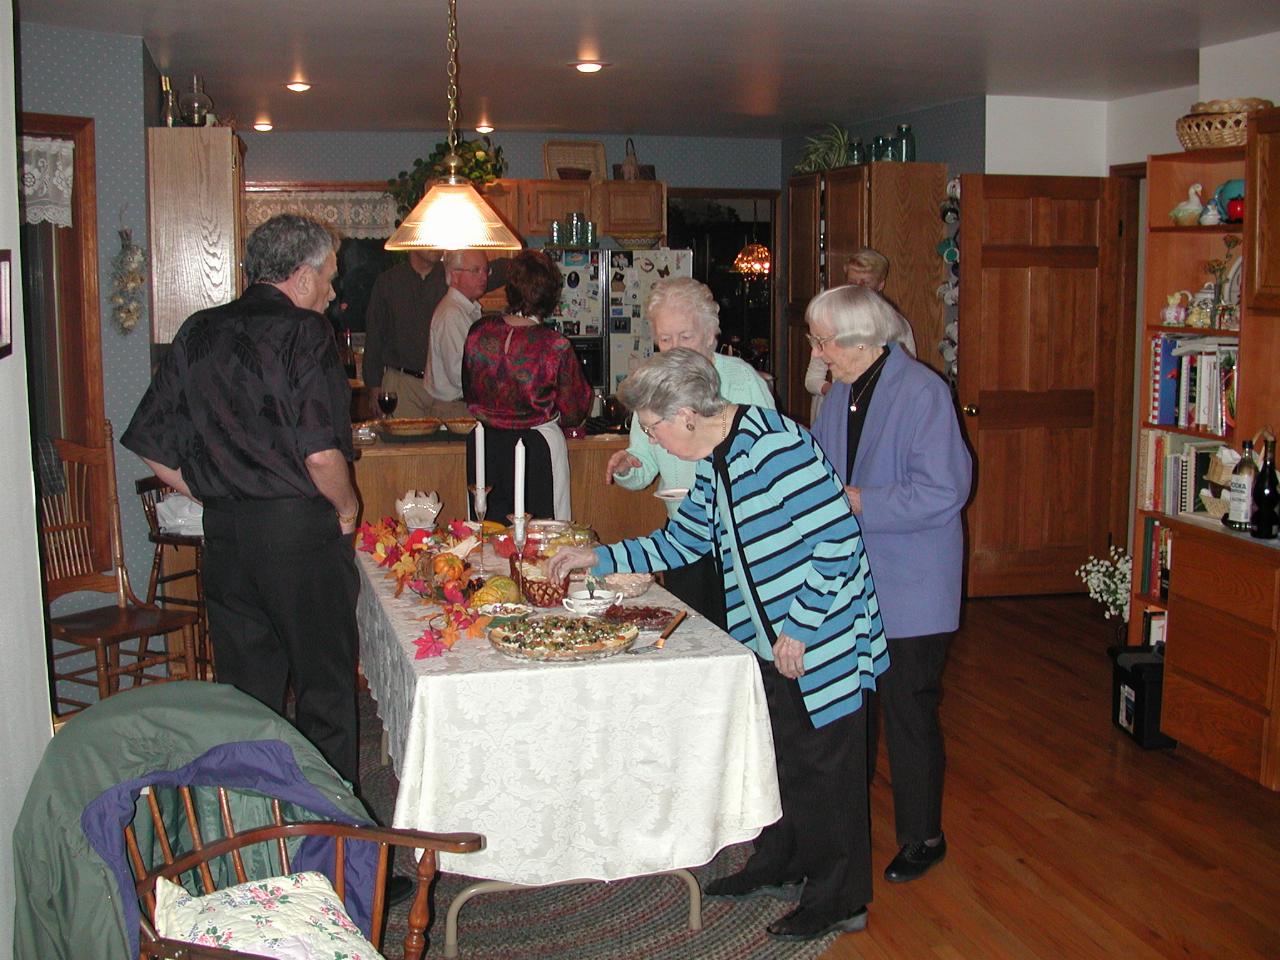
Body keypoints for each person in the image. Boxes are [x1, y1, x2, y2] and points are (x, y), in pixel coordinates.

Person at [549, 348, 888, 942]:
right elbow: (684, 540)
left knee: (826, 768)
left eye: (652, 430)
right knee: (779, 753)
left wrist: (800, 628)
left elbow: (838, 542)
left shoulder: (776, 447)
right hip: (769, 636)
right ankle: (780, 860)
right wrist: (598, 557)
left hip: (820, 635)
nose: (652, 442)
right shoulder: (716, 457)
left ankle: (840, 898)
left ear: (684, 414)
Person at [121, 213, 363, 789]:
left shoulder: (198, 330)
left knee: (247, 697)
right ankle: (331, 854)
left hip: (226, 536)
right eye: (328, 277)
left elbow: (151, 447)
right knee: (324, 692)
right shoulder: (306, 333)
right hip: (299, 535)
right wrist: (348, 510)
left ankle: (254, 835)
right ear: (301, 276)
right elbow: (322, 455)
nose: (332, 292)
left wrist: (215, 491)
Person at [806, 284, 972, 885]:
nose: (818, 353)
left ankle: (923, 836)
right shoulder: (840, 393)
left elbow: (943, 493)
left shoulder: (924, 392)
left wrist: (857, 502)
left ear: (863, 341)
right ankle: (848, 826)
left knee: (908, 711)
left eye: (824, 341)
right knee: (854, 710)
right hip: (853, 580)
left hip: (913, 586)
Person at [604, 277, 774, 625]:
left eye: (685, 337)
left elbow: (770, 462)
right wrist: (627, 468)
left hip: (741, 535)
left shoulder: (742, 382)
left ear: (711, 334)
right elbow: (643, 468)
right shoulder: (653, 386)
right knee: (694, 634)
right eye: (665, 339)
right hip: (682, 533)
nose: (675, 348)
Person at [462, 249, 592, 522]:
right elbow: (575, 409)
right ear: (552, 296)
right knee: (544, 537)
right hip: (538, 447)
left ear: (510, 290)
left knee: (488, 533)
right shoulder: (554, 344)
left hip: (484, 444)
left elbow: (468, 389)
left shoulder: (478, 332)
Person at [363, 249, 506, 418]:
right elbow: (374, 337)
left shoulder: (452, 276)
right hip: (403, 383)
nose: (435, 244)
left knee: (437, 443)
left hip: (441, 390)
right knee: (405, 444)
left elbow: (496, 271)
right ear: (412, 243)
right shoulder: (389, 281)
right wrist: (374, 386)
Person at [805, 248, 913, 423]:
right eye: (852, 283)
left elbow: (904, 379)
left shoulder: (897, 326)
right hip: (834, 414)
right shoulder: (829, 324)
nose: (857, 289)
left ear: (880, 285)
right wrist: (837, 393)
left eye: (865, 283)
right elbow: (812, 379)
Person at [423, 249, 489, 419]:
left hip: (458, 407)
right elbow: (459, 374)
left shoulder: (464, 309)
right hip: (454, 410)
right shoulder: (452, 314)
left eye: (485, 270)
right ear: (455, 276)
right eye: (475, 270)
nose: (484, 277)